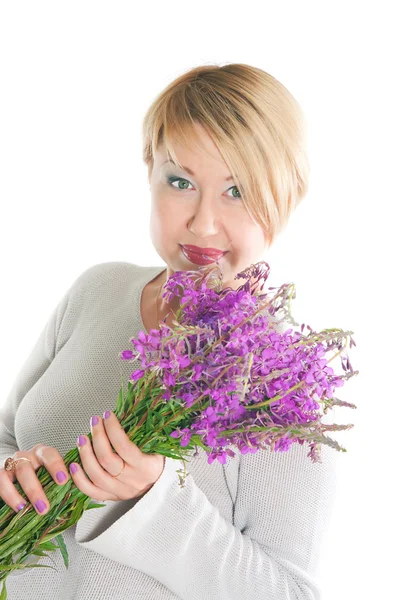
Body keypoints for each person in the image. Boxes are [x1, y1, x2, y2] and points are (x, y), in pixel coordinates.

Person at [0, 63, 337, 599]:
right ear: (149, 174)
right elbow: (9, 434)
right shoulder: (97, 290)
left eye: (238, 191)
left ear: (288, 196)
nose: (203, 223)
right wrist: (11, 469)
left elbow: (291, 592)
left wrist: (154, 499)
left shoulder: (285, 384)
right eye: (180, 182)